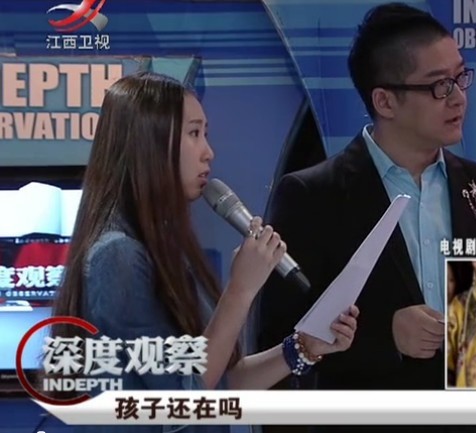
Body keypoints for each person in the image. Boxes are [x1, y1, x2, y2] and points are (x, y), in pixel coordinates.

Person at [47, 72, 359, 432]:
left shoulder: (165, 251)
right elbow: (184, 400)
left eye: (204, 134)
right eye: (194, 133)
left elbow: (220, 384)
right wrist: (240, 290)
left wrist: (303, 346)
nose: (209, 152)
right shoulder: (118, 256)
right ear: (150, 144)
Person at [257, 3, 476, 433]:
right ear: (385, 100)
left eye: (460, 77)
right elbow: (279, 350)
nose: (458, 97)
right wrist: (385, 336)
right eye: (439, 86)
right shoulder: (312, 196)